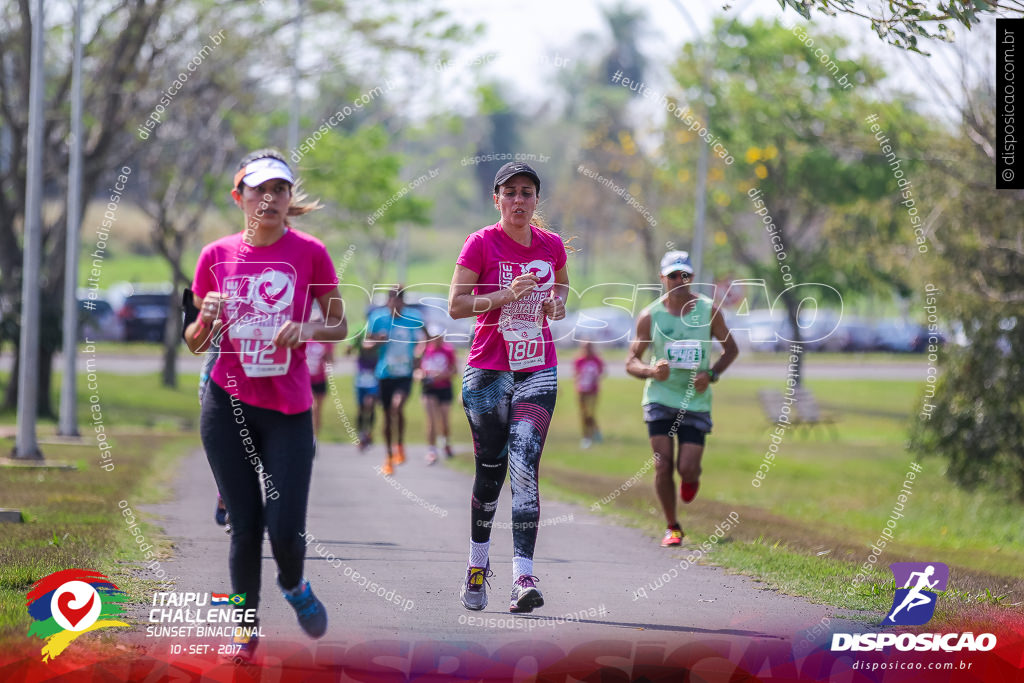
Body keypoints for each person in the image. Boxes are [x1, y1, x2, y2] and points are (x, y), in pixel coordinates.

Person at [184, 150, 347, 660]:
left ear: (289, 198)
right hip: (227, 404)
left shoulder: (311, 253)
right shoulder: (215, 256)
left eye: (280, 190)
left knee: (284, 530)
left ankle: (295, 585)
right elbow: (191, 341)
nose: (271, 199)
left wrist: (307, 329)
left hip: (289, 411)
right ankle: (244, 629)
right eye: (259, 190)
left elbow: (341, 324)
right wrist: (206, 318)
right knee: (244, 526)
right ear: (240, 198)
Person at [448, 161, 567, 613]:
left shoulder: (551, 245)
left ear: (537, 200)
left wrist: (556, 304)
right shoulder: (480, 243)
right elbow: (457, 305)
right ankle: (477, 565)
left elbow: (562, 287)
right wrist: (505, 296)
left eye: (528, 192)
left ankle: (523, 577)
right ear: (496, 199)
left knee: (524, 463)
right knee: (492, 470)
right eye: (510, 193)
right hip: (488, 370)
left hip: (538, 365)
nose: (519, 200)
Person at [625, 250, 738, 548]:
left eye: (684, 275)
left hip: (695, 400)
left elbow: (731, 350)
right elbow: (631, 362)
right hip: (660, 398)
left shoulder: (709, 311)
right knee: (663, 464)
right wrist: (651, 370)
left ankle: (690, 479)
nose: (679, 280)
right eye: (673, 275)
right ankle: (672, 526)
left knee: (687, 467)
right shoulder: (650, 316)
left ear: (691, 277)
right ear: (662, 278)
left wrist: (711, 375)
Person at [365, 287, 425, 475]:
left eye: (398, 301)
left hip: (405, 373)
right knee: (386, 414)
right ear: (388, 302)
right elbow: (366, 343)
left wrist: (418, 354)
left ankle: (399, 444)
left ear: (402, 303)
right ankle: (389, 456)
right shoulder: (378, 318)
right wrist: (377, 341)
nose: (394, 305)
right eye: (391, 301)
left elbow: (425, 338)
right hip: (384, 373)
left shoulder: (414, 318)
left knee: (397, 407)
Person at [417, 328, 457, 464]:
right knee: (431, 420)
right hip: (429, 390)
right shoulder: (423, 350)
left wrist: (439, 377)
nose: (436, 339)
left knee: (444, 421)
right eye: (433, 337)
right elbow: (416, 370)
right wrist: (421, 376)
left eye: (438, 336)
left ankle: (446, 444)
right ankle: (431, 450)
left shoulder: (448, 350)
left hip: (444, 388)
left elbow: (454, 370)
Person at [347, 323, 379, 450]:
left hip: (374, 378)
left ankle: (368, 432)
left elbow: (373, 346)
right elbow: (349, 350)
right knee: (360, 408)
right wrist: (351, 345)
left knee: (370, 405)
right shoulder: (360, 336)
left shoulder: (379, 338)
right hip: (361, 379)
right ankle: (361, 434)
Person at [573, 340, 604, 449]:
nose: (587, 349)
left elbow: (601, 373)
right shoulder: (579, 360)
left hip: (593, 391)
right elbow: (576, 374)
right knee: (583, 414)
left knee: (590, 414)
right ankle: (589, 434)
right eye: (585, 347)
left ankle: (590, 435)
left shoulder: (597, 360)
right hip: (581, 391)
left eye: (589, 347)